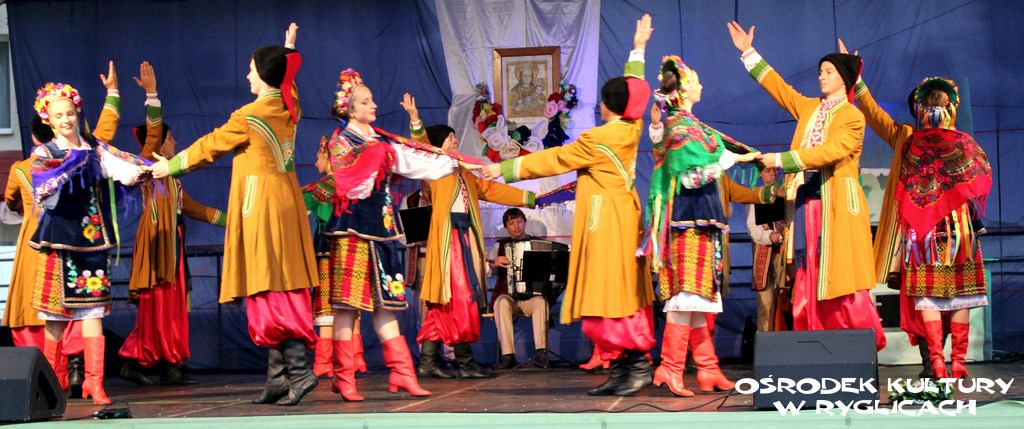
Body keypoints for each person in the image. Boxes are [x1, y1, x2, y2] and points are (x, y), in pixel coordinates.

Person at [483, 14, 655, 397]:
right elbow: (635, 92)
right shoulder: (632, 128)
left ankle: (636, 366)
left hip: (606, 225)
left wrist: (504, 168)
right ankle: (624, 368)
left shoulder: (598, 139)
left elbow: (554, 159)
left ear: (607, 105)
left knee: (608, 295)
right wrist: (638, 49)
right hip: (624, 220)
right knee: (615, 294)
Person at [151, 24, 320, 406]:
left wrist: (170, 166)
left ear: (265, 75)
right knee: (279, 278)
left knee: (267, 281)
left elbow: (210, 145)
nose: (247, 75)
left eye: (251, 69)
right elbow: (290, 82)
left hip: (261, 205)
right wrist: (288, 49)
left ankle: (298, 371)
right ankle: (278, 378)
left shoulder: (249, 114)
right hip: (287, 202)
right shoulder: (289, 106)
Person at [315, 70, 478, 402]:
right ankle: (344, 376)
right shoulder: (341, 142)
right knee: (347, 307)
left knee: (385, 305)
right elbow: (350, 183)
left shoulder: (380, 141)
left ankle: (402, 371)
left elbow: (413, 160)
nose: (374, 105)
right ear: (349, 108)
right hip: (351, 232)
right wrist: (381, 152)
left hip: (381, 233)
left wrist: (455, 163)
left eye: (372, 100)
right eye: (366, 101)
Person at [726, 21, 886, 351]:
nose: (821, 76)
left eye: (828, 71)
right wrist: (749, 52)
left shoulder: (852, 116)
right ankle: (813, 340)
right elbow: (780, 89)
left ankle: (853, 343)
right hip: (805, 201)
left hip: (836, 199)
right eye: (820, 71)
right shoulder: (810, 107)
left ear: (843, 78)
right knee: (808, 268)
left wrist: (782, 159)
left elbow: (833, 150)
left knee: (839, 271)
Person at [845, 41, 991, 379]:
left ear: (919, 108)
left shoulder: (910, 140)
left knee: (928, 297)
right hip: (959, 229)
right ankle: (955, 363)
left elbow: (875, 115)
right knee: (960, 296)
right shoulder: (961, 142)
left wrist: (857, 78)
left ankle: (936, 363)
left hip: (921, 230)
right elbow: (978, 179)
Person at [644, 55, 773, 396]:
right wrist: (732, 159)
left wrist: (741, 155)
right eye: (696, 81)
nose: (701, 85)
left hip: (702, 222)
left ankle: (708, 368)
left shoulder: (692, 126)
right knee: (686, 296)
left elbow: (712, 150)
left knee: (699, 299)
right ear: (685, 88)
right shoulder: (679, 128)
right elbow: (690, 177)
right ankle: (670, 367)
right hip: (687, 223)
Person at [30, 62, 154, 405]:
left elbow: (121, 169)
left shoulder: (94, 149)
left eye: (70, 113)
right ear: (48, 119)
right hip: (58, 241)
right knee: (56, 317)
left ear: (77, 113)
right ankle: (54, 383)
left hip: (92, 241)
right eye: (59, 115)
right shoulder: (45, 153)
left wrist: (146, 171)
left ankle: (94, 383)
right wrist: (68, 168)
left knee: (94, 312)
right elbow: (44, 192)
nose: (66, 120)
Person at [406, 95, 537, 380]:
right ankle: (465, 363)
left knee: (443, 303)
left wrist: (531, 198)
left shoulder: (465, 172)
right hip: (448, 241)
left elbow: (493, 190)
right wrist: (416, 121)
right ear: (438, 145)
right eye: (450, 138)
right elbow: (422, 148)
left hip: (464, 238)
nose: (455, 141)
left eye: (455, 137)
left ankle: (428, 362)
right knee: (459, 297)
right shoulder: (435, 169)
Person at [118, 61, 226, 387]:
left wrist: (234, 222)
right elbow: (152, 133)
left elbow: (196, 209)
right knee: (156, 305)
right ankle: (134, 359)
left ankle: (171, 364)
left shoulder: (174, 180)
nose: (175, 142)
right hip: (156, 247)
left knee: (173, 305)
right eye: (171, 138)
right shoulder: (148, 166)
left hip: (173, 248)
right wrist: (151, 94)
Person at [3, 115, 85, 393]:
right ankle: (75, 368)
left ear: (33, 137)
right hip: (65, 238)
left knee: (30, 302)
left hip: (33, 242)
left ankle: (43, 376)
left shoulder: (21, 169)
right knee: (69, 298)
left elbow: (11, 201)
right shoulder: (72, 163)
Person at [303, 139, 369, 379]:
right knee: (351, 301)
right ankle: (355, 357)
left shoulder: (320, 188)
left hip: (329, 250)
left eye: (318, 158)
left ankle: (324, 361)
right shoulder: (358, 185)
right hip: (356, 248)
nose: (315, 163)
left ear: (329, 158)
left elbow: (294, 207)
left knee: (326, 302)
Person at [487, 208, 551, 369]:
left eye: (519, 222)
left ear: (524, 222)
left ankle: (541, 354)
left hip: (530, 298)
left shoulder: (538, 244)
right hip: (509, 297)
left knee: (541, 302)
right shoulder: (499, 246)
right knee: (501, 303)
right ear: (506, 227)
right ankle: (508, 356)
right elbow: (484, 271)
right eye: (511, 223)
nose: (516, 226)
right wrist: (493, 263)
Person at [746, 169, 789, 332]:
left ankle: (785, 339)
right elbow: (752, 228)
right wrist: (769, 235)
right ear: (760, 174)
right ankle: (765, 341)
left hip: (783, 255)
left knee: (785, 301)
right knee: (766, 303)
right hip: (763, 255)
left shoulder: (787, 196)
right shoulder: (755, 196)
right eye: (768, 170)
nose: (773, 173)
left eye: (775, 170)